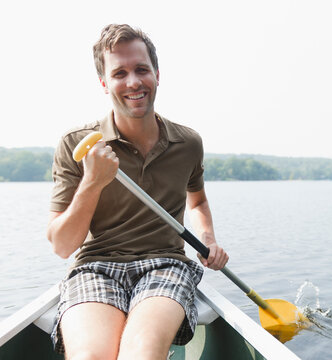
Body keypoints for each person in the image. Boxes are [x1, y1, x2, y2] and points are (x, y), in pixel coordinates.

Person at [46, 24, 228, 360]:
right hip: (96, 266)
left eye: (141, 69)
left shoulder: (187, 143)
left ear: (157, 75)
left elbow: (197, 199)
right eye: (120, 73)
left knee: (141, 353)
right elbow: (62, 245)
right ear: (104, 83)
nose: (133, 82)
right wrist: (93, 181)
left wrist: (208, 239)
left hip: (165, 265)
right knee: (89, 356)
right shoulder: (77, 144)